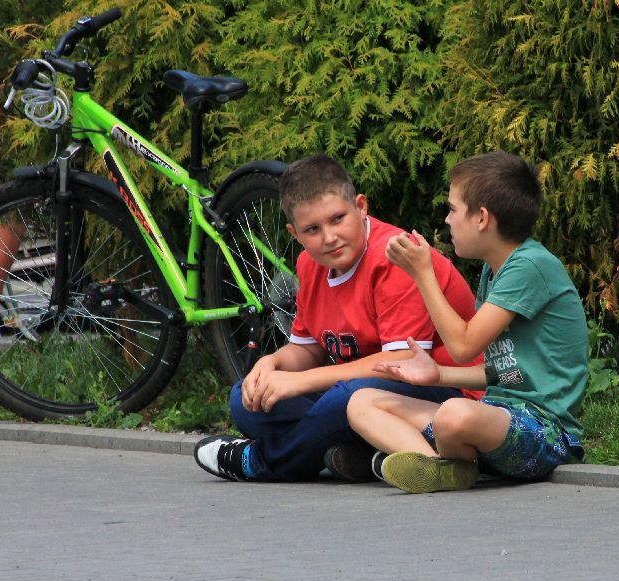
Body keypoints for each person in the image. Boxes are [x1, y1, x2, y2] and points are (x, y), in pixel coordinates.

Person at [193, 154, 481, 483]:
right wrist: (272, 364)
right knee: (247, 398)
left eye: (337, 219)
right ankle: (359, 452)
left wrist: (301, 382)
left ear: (361, 207)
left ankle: (263, 461)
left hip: (447, 394)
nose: (329, 237)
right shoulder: (310, 264)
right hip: (367, 395)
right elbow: (308, 349)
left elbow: (402, 361)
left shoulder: (396, 255)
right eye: (312, 229)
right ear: (294, 233)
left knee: (343, 399)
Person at [346, 151, 588, 493]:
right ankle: (441, 467)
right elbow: (502, 370)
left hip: (544, 433)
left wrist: (423, 273)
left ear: (482, 218)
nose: (447, 219)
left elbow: (462, 347)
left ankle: (440, 462)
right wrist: (438, 374)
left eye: (453, 209)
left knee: (455, 414)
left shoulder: (529, 266)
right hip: (492, 419)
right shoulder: (494, 270)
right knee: (361, 402)